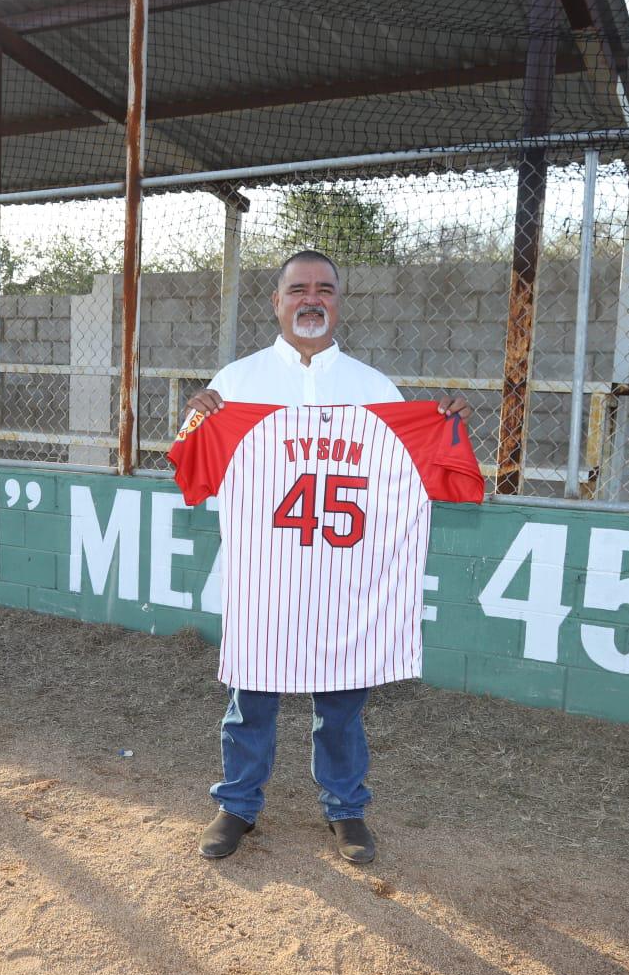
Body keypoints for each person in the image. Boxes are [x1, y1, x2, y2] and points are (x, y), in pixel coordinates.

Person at [183, 249, 472, 864]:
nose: (311, 299)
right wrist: (196, 418)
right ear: (277, 301)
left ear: (338, 301)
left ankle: (346, 810)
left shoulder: (374, 388)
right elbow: (189, 458)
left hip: (348, 578)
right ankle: (237, 806)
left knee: (342, 704)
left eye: (324, 289)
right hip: (268, 574)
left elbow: (420, 470)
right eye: (298, 289)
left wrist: (439, 424)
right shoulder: (236, 380)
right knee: (252, 696)